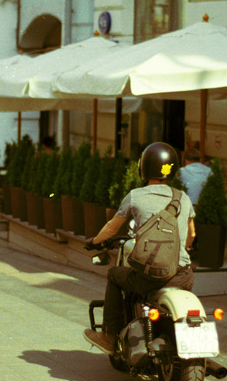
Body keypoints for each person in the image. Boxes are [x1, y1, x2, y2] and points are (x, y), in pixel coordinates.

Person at [83, 142, 196, 354]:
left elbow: (111, 229)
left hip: (149, 278)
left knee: (115, 275)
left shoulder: (135, 196)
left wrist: (95, 242)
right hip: (182, 276)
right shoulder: (183, 198)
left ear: (143, 168)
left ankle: (109, 335)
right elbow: (192, 235)